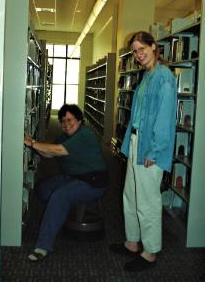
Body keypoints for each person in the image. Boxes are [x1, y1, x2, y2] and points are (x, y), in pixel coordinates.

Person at [109, 31, 177, 272]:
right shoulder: (147, 75)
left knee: (147, 202)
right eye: (135, 51)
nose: (138, 55)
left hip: (151, 147)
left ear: (153, 46)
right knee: (131, 196)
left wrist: (155, 151)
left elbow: (163, 118)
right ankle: (132, 241)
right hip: (138, 142)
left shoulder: (164, 77)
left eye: (142, 49)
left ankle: (150, 252)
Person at [24, 104, 108, 262]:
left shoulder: (85, 135)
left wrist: (32, 144)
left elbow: (58, 151)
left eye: (70, 120)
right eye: (63, 121)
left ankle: (43, 246)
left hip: (93, 182)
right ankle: (59, 214)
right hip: (73, 177)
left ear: (80, 121)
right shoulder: (65, 137)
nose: (66, 124)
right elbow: (49, 154)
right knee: (43, 188)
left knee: (59, 196)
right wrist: (34, 144)